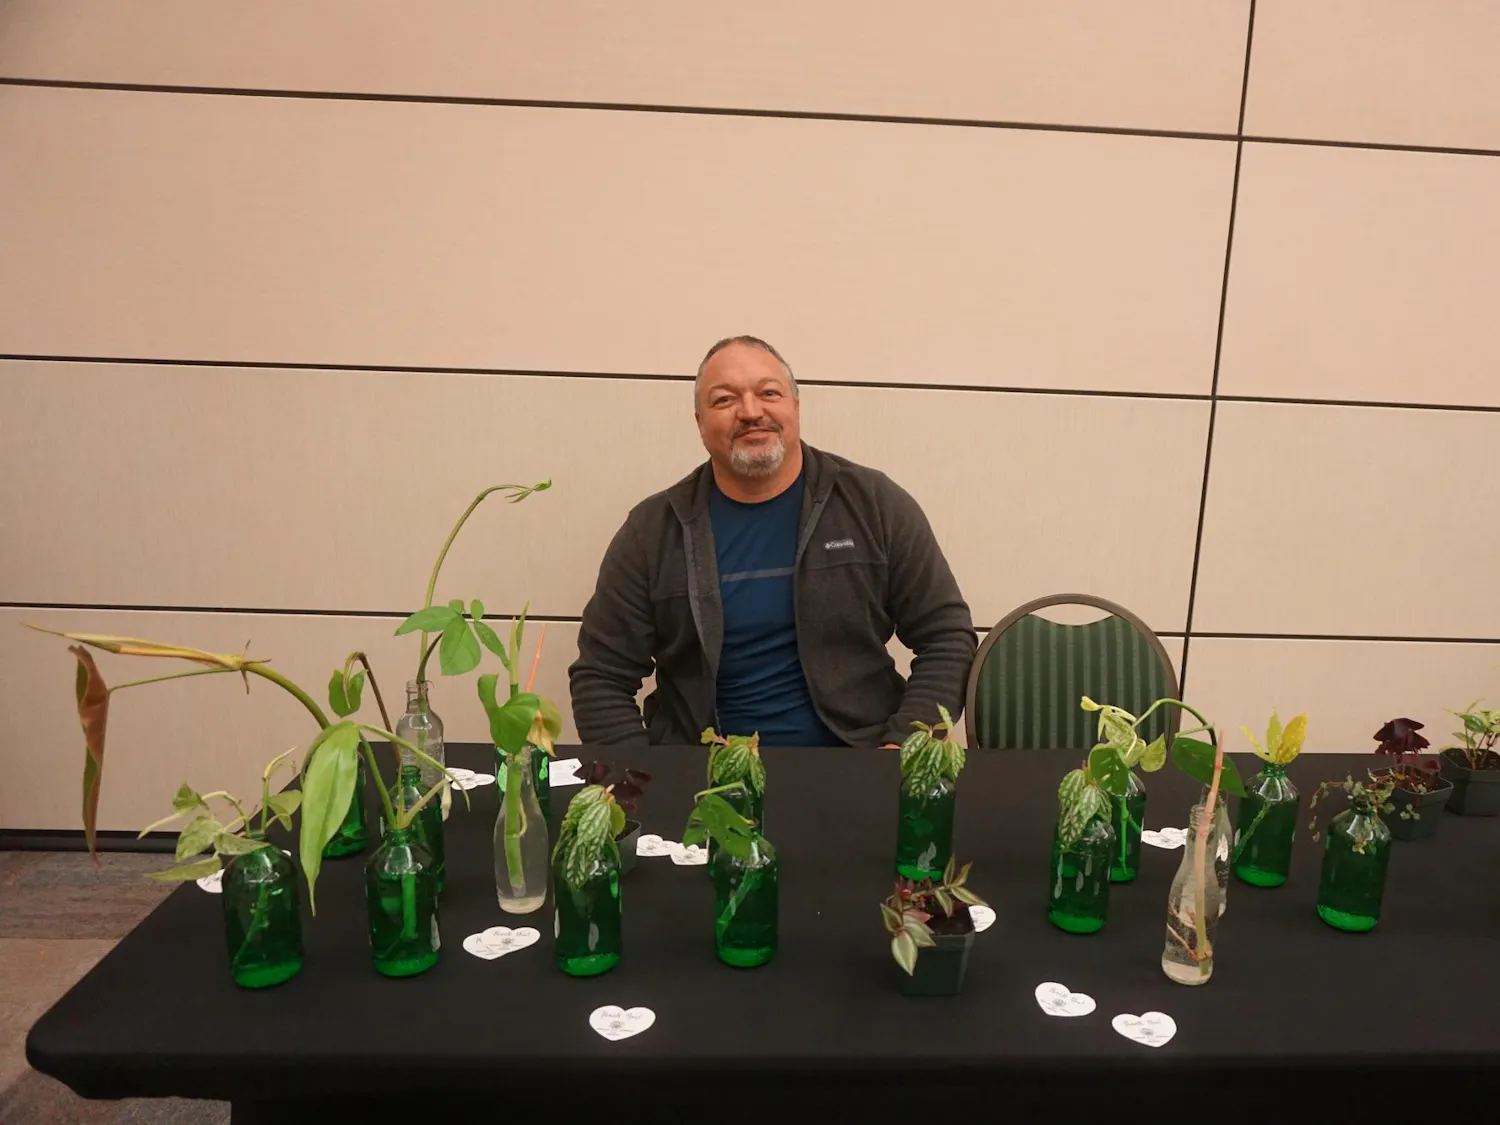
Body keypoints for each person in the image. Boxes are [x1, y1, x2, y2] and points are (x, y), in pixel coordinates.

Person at [568, 335, 977, 748]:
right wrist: (639, 782)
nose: (750, 412)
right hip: (703, 781)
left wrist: (905, 745)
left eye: (768, 393)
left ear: (795, 407)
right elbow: (601, 675)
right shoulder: (652, 531)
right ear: (699, 423)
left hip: (860, 761)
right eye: (725, 400)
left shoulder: (872, 503)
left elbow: (947, 637)